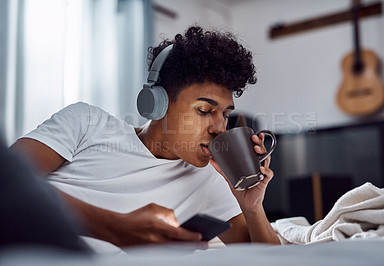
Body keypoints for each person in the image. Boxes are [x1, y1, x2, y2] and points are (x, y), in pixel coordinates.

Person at [10, 26, 280, 250]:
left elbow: (267, 258)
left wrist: (252, 207)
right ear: (157, 103)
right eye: (204, 110)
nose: (219, 128)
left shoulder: (208, 179)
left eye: (224, 114)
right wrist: (115, 227)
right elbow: (8, 183)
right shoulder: (86, 122)